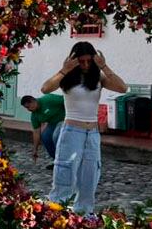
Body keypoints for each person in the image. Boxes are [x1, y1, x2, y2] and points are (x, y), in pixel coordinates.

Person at [41, 41, 128, 215]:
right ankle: (56, 212)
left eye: (89, 61)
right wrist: (64, 69)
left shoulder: (98, 78)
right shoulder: (66, 77)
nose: (86, 65)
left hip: (93, 133)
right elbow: (45, 88)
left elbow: (122, 88)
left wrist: (104, 66)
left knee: (90, 174)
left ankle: (84, 213)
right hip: (72, 131)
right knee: (65, 171)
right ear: (74, 60)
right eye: (81, 61)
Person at [22, 92, 66, 166]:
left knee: (56, 135)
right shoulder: (34, 115)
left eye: (28, 107)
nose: (28, 109)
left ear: (33, 101)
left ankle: (64, 159)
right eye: (26, 108)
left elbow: (66, 100)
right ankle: (56, 160)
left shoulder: (48, 99)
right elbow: (36, 132)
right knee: (45, 136)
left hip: (65, 120)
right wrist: (35, 149)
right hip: (52, 124)